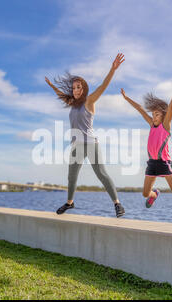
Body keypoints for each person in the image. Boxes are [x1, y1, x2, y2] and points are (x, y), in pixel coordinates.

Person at [120, 72, 172, 237]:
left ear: (164, 117)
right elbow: (139, 109)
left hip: (164, 163)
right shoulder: (151, 125)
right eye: (153, 114)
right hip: (152, 164)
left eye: (157, 114)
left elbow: (171, 106)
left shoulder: (165, 126)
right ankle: (154, 194)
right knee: (145, 193)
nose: (154, 117)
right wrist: (126, 97)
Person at [45, 53, 126, 218]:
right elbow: (62, 95)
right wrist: (52, 86)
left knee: (101, 174)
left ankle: (117, 204)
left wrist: (113, 69)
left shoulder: (89, 101)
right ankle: (70, 202)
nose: (75, 90)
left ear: (84, 89)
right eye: (74, 88)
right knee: (71, 176)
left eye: (78, 87)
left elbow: (103, 86)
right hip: (76, 146)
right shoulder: (72, 104)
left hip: (90, 144)